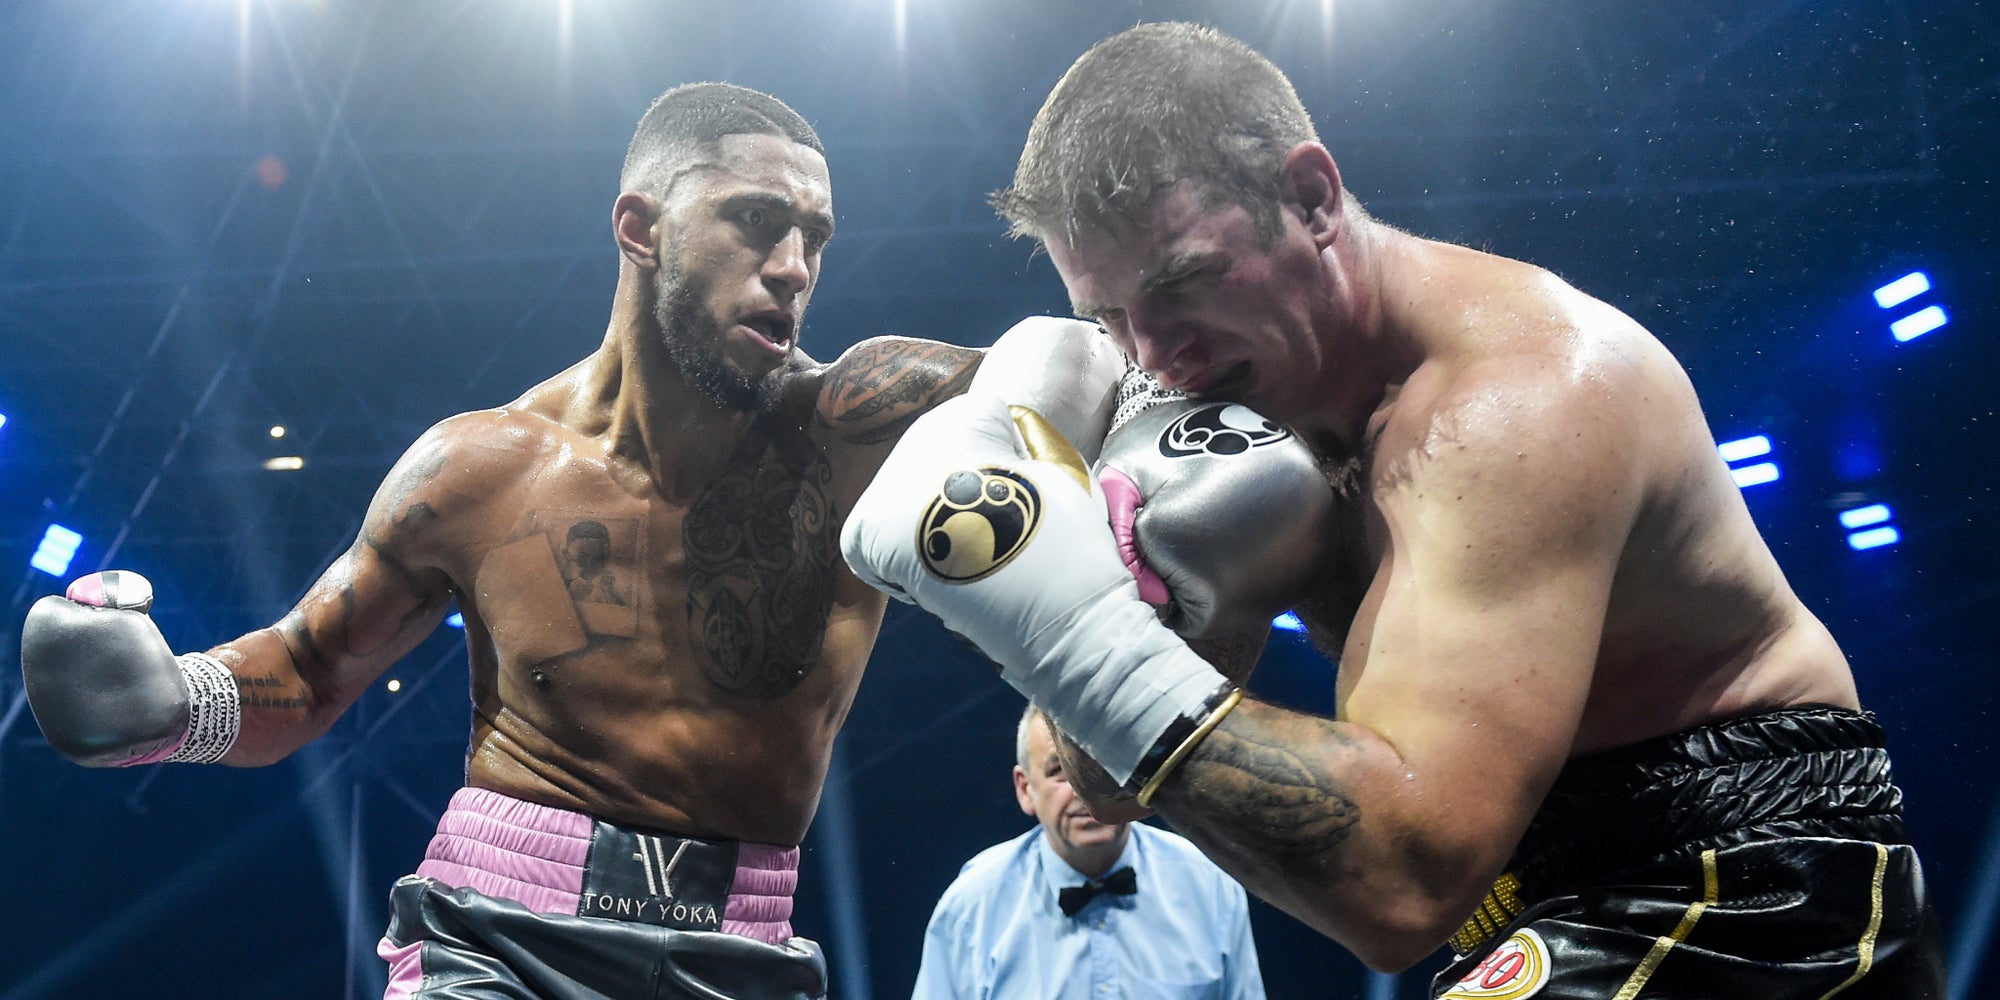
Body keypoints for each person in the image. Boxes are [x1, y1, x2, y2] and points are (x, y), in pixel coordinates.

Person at [842, 22, 1949, 999]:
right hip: (1525, 892)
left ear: (1313, 198)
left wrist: (1072, 631)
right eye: (1109, 315)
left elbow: (1397, 881)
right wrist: (1126, 602)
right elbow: (1108, 777)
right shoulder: (1222, 407)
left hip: (1738, 885)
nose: (1153, 356)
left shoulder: (1513, 406)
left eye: (1182, 283)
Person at [20, 83, 988, 1000]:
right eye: (754, 219)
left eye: (813, 236)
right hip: (496, 937)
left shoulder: (857, 429)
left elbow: (1056, 374)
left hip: (741, 949)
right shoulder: (479, 468)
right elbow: (309, 671)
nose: (792, 265)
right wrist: (174, 701)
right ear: (639, 229)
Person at [911, 705, 1264, 1000]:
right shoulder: (972, 905)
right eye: (1059, 772)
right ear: (1025, 789)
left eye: (1100, 766)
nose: (1083, 790)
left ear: (1131, 771)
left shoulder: (1208, 883)